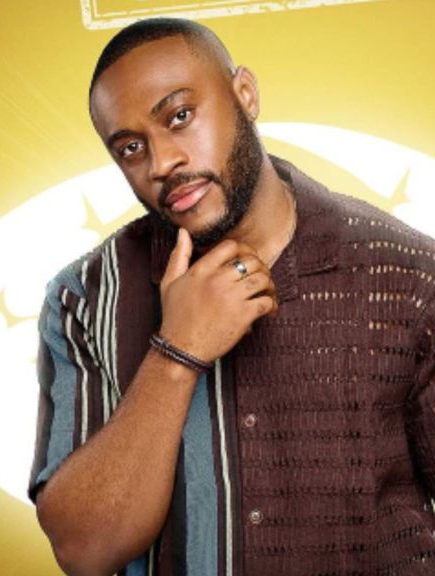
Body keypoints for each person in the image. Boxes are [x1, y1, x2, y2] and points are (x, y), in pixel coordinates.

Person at [29, 18, 435, 576]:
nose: (162, 162)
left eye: (179, 116)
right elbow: (85, 552)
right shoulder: (86, 297)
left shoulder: (408, 275)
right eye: (129, 148)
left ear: (245, 94)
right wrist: (176, 352)